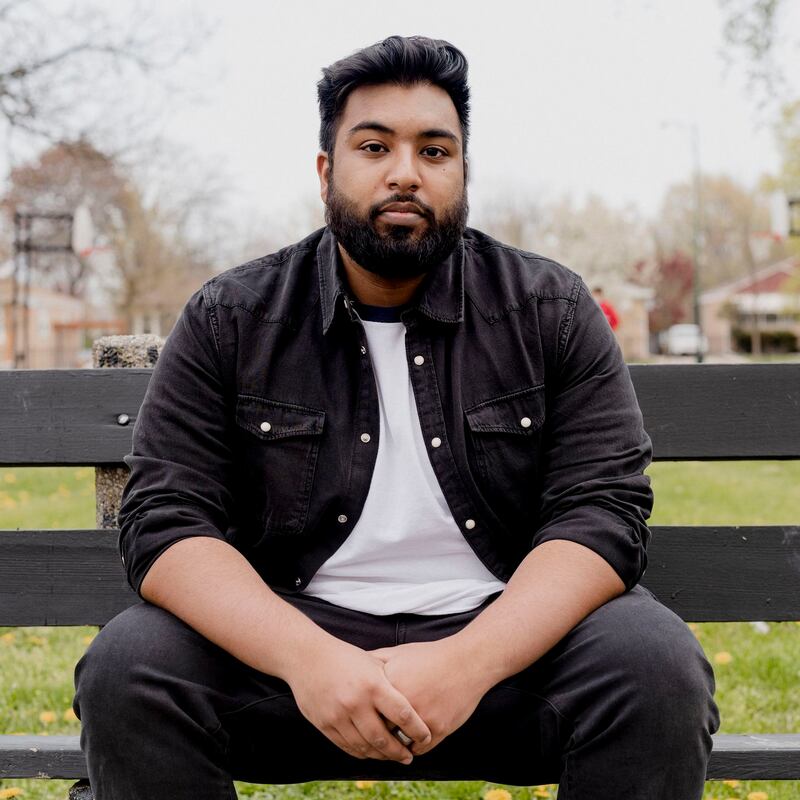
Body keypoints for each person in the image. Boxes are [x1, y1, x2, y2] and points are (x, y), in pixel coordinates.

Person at [73, 35, 719, 799]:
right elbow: (167, 520)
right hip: (290, 664)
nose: (405, 172)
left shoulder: (549, 309)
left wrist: (467, 662)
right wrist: (311, 661)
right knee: (130, 666)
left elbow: (602, 514)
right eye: (374, 145)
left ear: (464, 173)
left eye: (435, 151)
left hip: (506, 656)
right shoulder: (231, 317)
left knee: (654, 665)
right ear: (326, 172)